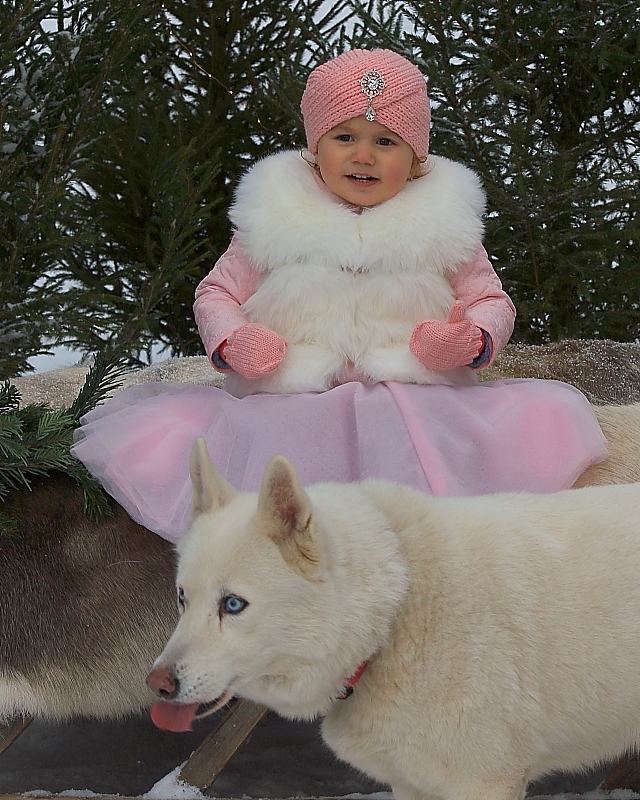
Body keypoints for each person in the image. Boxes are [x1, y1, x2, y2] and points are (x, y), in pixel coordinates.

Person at [72, 49, 608, 543]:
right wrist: (234, 341)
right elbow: (217, 292)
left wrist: (469, 340)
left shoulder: (443, 227)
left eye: (386, 141)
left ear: (416, 158)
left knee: (429, 515)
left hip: (412, 397)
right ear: (316, 148)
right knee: (283, 517)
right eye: (345, 137)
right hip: (292, 399)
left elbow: (492, 301)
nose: (365, 156)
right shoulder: (275, 219)